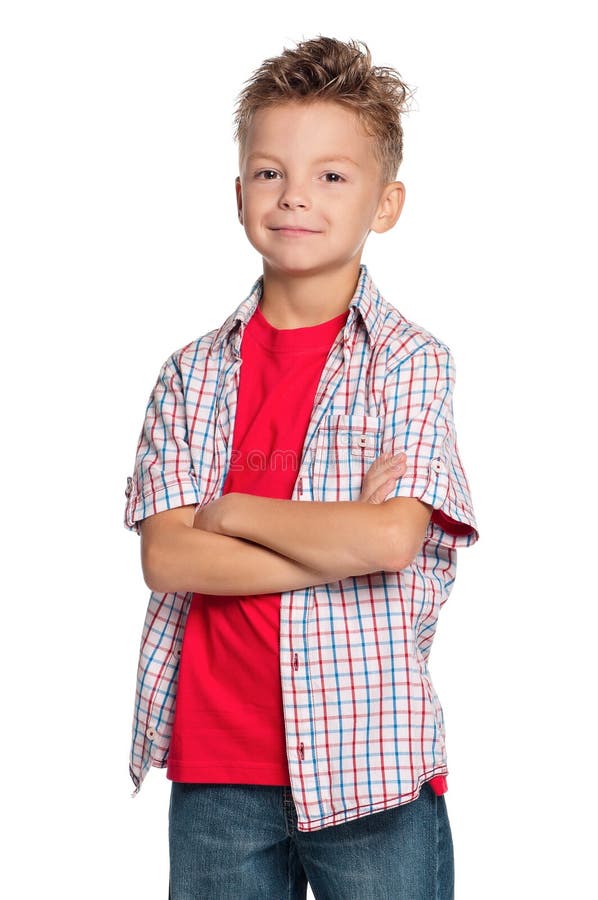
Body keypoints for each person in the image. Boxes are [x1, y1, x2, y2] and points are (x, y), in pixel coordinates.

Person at [123, 34, 479, 900]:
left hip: (373, 765)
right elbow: (168, 558)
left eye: (331, 175)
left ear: (385, 203)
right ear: (239, 190)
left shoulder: (408, 361)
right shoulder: (191, 373)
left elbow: (394, 540)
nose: (294, 198)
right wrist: (334, 536)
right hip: (215, 771)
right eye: (270, 171)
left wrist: (235, 508)